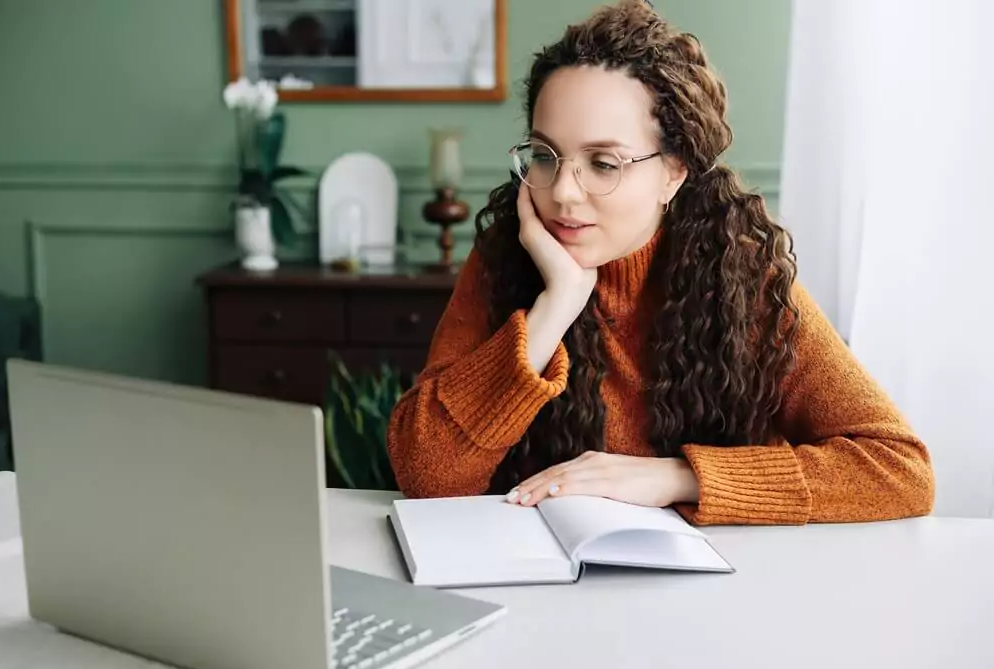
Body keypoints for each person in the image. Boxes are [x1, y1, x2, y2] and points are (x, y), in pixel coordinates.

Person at [385, 0, 934, 525]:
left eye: (603, 163)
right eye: (546, 156)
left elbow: (899, 470)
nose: (563, 193)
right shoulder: (509, 258)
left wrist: (678, 478)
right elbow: (427, 475)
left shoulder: (742, 277)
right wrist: (555, 307)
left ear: (673, 172)